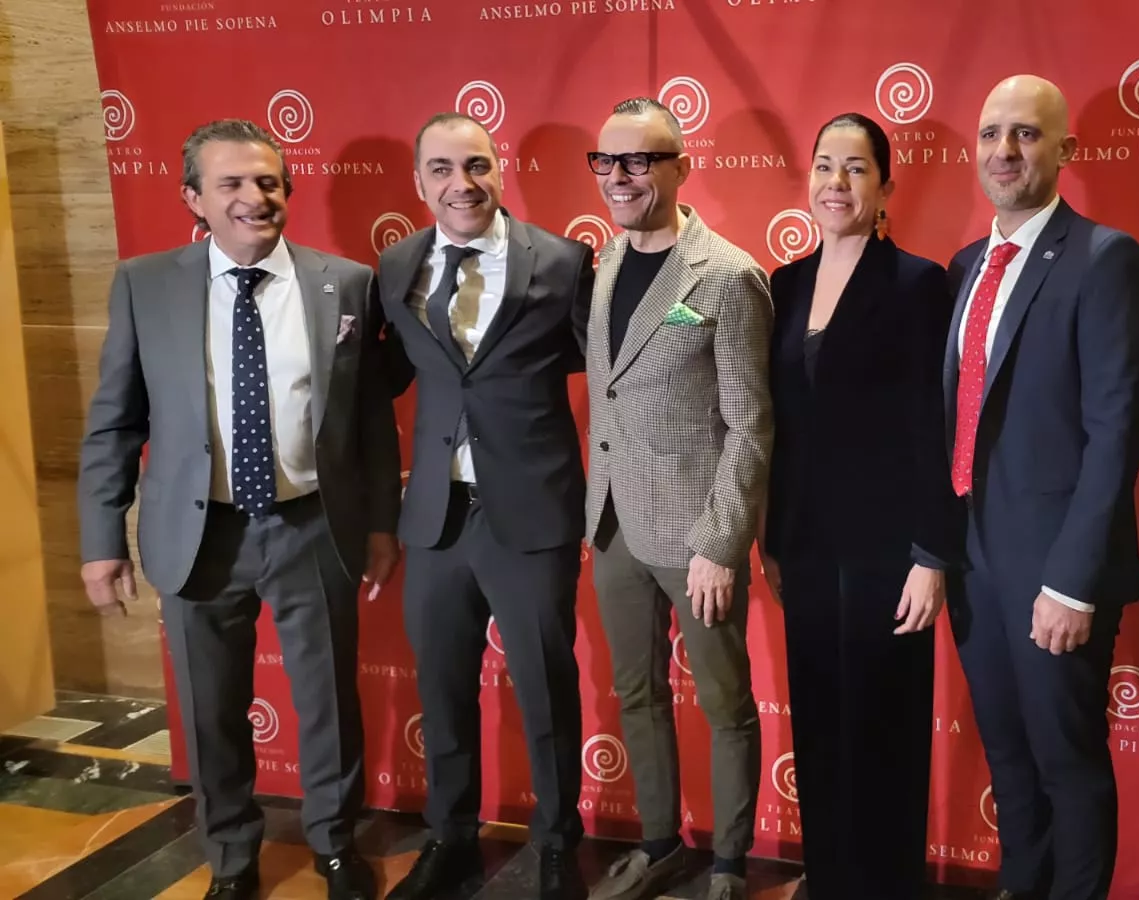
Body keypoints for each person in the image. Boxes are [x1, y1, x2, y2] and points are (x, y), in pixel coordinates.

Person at [77, 119, 401, 900]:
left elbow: (370, 422)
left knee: (327, 701)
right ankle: (230, 857)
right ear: (193, 197)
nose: (255, 198)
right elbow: (116, 419)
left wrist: (382, 523)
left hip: (314, 525)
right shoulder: (144, 283)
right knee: (210, 709)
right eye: (231, 184)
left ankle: (332, 845)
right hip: (197, 533)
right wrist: (100, 539)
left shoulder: (346, 283)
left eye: (268, 182)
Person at [944, 76, 1139, 900]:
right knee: (1009, 755)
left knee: (1068, 763)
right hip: (973, 560)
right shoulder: (969, 264)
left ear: (1064, 150)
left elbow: (1116, 434)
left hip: (1054, 573)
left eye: (1026, 134)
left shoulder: (1106, 259)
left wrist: (1071, 581)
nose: (1005, 150)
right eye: (992, 132)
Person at [373, 113, 594, 900]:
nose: (459, 184)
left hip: (531, 512)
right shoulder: (396, 265)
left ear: (499, 169)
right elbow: (385, 379)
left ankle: (560, 840)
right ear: (419, 182)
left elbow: (604, 364)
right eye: (440, 169)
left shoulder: (564, 261)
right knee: (442, 686)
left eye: (475, 165)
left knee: (544, 685)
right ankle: (451, 836)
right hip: (435, 515)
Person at [758, 112, 962, 900]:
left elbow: (933, 425)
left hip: (890, 552)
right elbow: (781, 421)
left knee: (884, 727)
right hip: (805, 545)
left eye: (855, 169)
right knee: (818, 722)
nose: (835, 183)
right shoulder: (786, 282)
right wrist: (772, 535)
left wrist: (932, 554)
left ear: (885, 187)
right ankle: (831, 877)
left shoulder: (917, 282)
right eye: (823, 166)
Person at [582, 96, 773, 900]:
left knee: (725, 702)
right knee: (637, 692)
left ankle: (728, 863)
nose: (620, 177)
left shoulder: (727, 274)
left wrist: (720, 543)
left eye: (639, 161)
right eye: (607, 161)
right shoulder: (606, 265)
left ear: (680, 167)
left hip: (697, 538)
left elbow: (752, 426)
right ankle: (659, 843)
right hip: (613, 525)